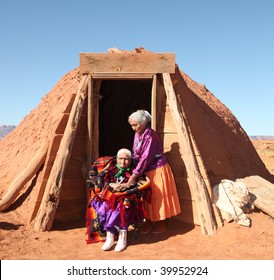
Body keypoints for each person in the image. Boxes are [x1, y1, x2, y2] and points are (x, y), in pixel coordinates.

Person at [127, 109, 181, 234]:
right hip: (144, 169)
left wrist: (135, 174)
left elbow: (146, 156)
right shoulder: (137, 134)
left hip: (157, 168)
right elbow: (136, 153)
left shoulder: (150, 135)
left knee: (158, 195)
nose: (133, 128)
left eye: (135, 125)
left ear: (143, 123)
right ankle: (149, 221)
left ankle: (161, 223)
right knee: (147, 197)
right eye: (131, 125)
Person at [87, 148, 149, 252]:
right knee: (107, 206)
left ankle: (122, 237)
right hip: (111, 197)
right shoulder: (110, 169)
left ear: (130, 160)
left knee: (119, 208)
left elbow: (141, 184)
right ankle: (110, 238)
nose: (123, 162)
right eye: (120, 159)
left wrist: (128, 186)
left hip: (127, 199)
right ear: (117, 158)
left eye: (126, 159)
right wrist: (112, 185)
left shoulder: (134, 172)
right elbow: (102, 182)